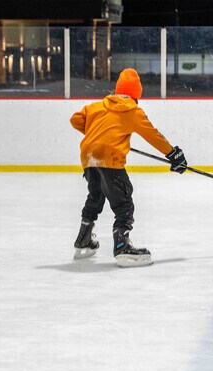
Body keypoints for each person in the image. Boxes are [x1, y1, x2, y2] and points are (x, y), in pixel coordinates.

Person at [70, 68, 187, 267]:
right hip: (110, 159)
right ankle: (122, 245)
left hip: (89, 157)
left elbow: (76, 119)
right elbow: (153, 135)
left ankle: (84, 240)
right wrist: (173, 154)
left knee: (95, 197)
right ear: (136, 95)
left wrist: (98, 135)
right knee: (123, 202)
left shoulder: (97, 106)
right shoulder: (132, 111)